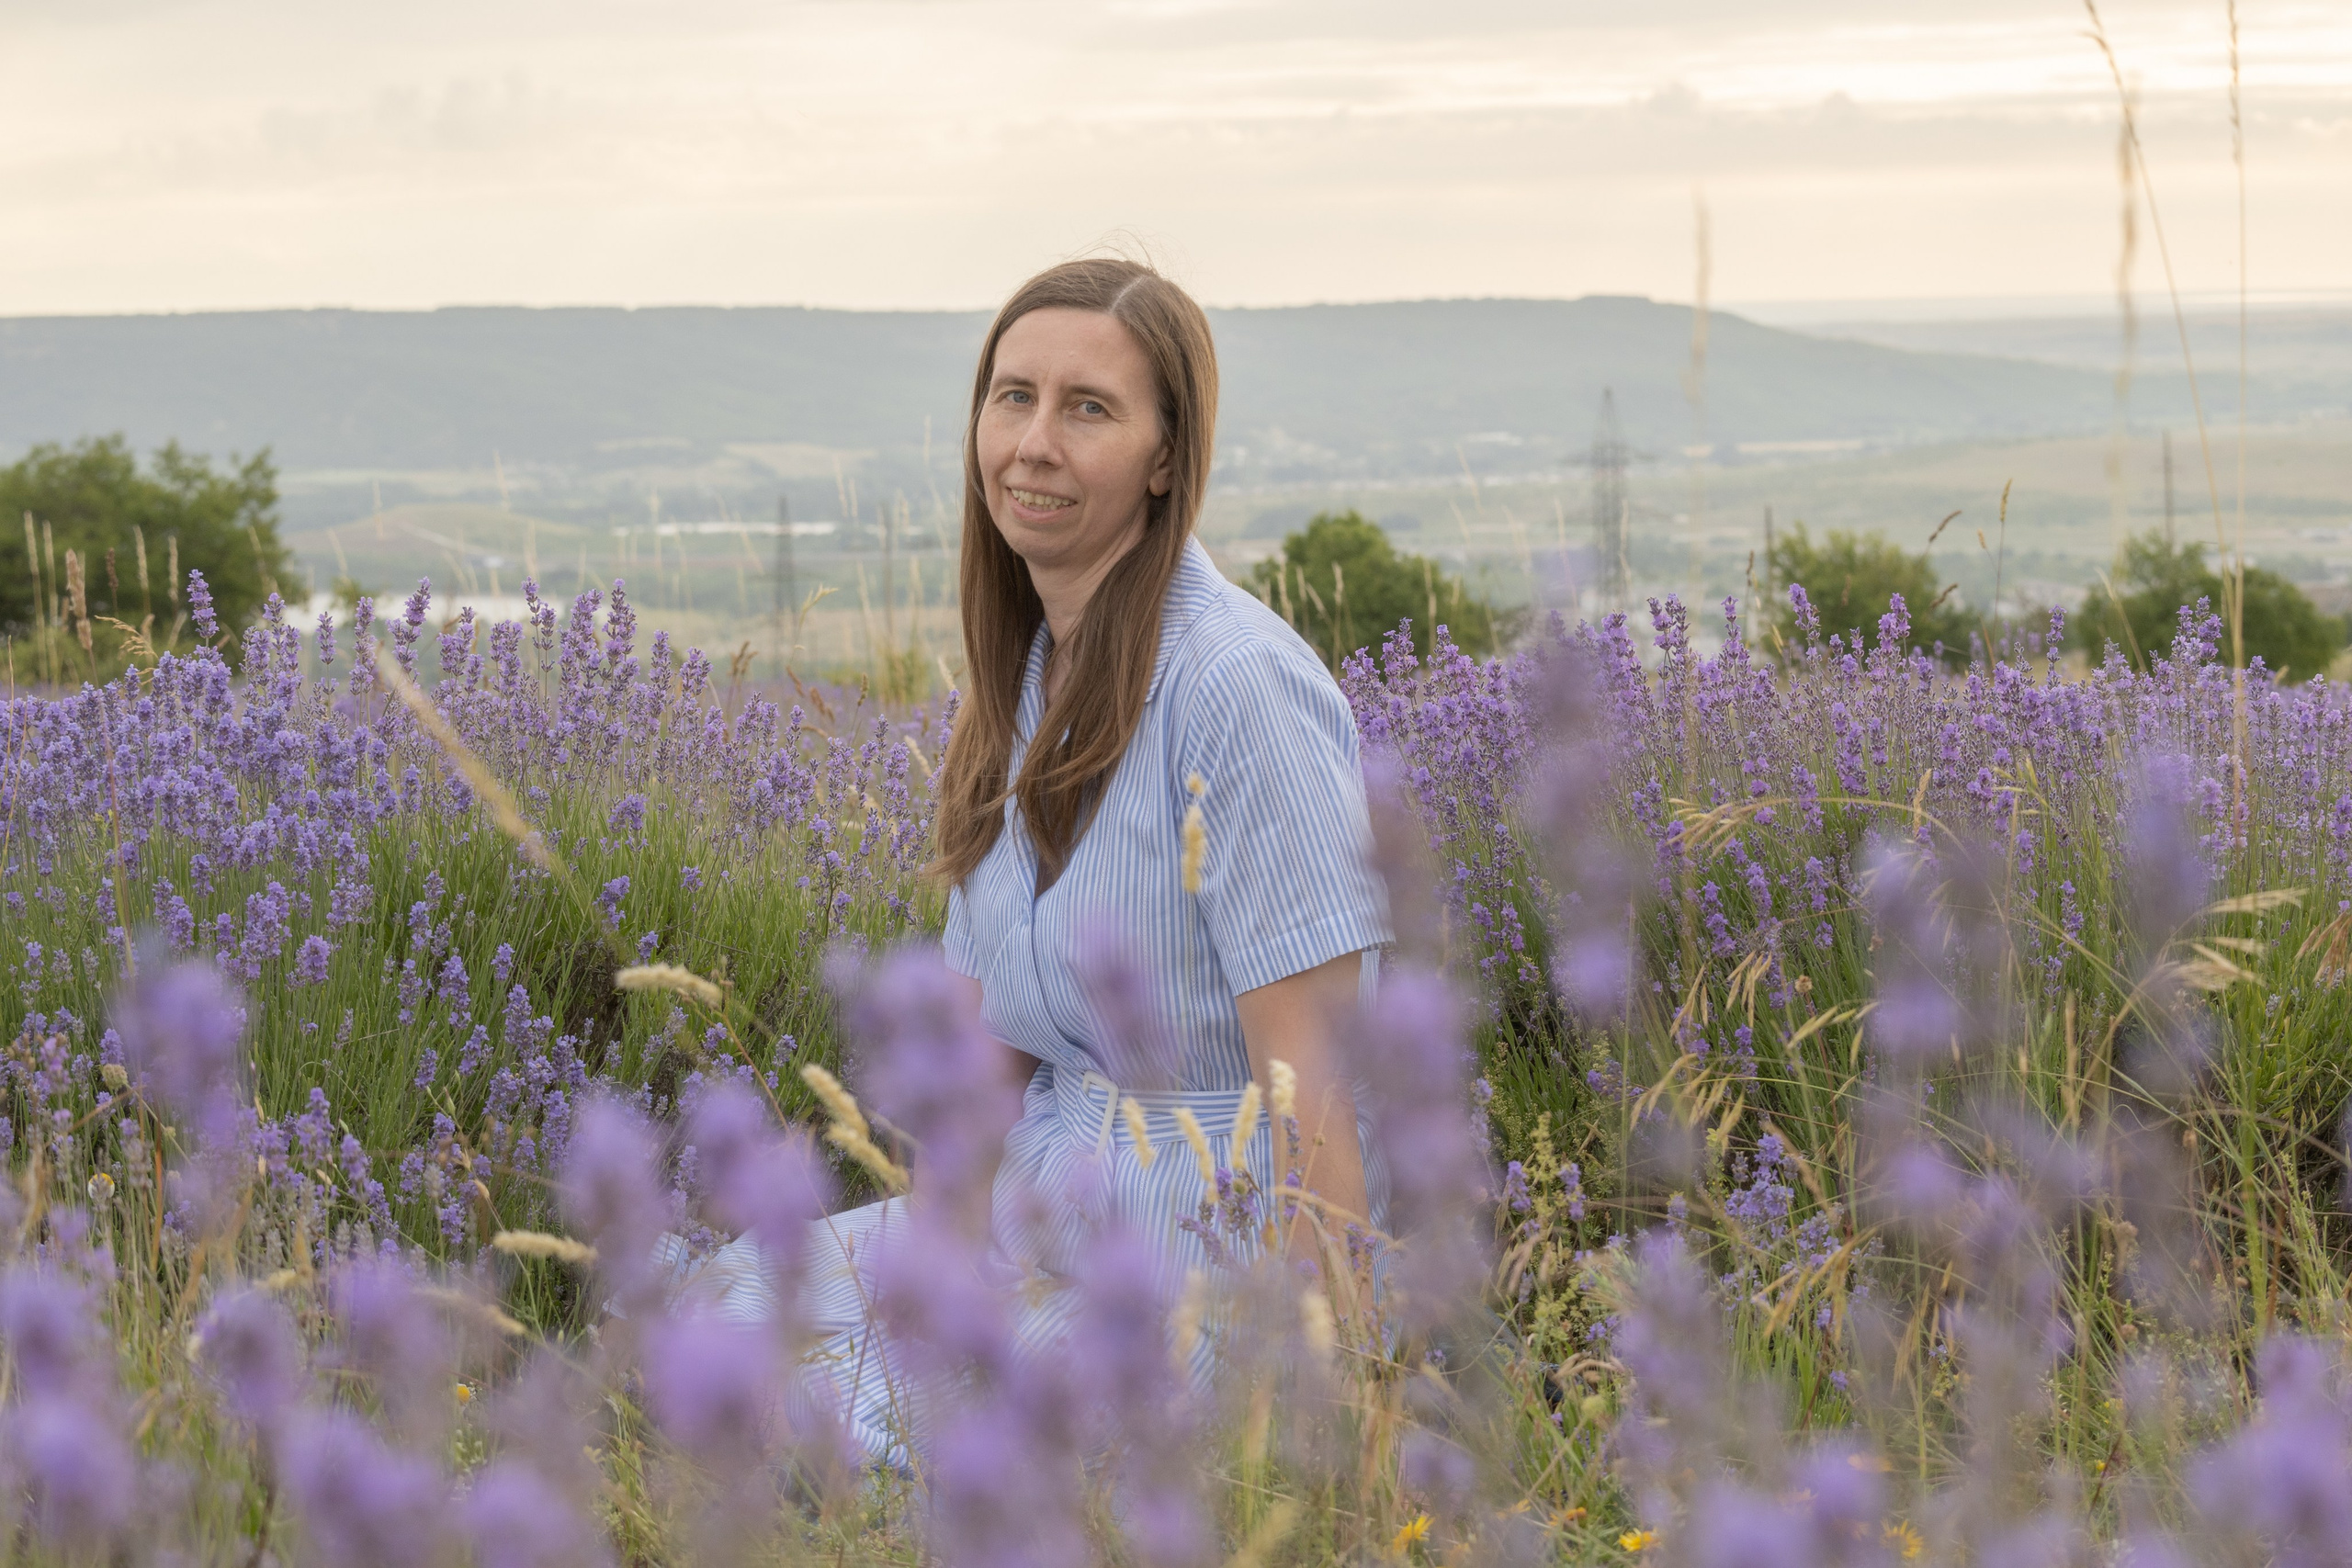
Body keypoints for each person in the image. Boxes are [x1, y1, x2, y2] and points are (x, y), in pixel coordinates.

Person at [673, 256, 1391, 1464]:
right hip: (1040, 1199)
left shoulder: (1238, 689)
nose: (1035, 443)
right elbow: (986, 1058)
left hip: (1202, 1243)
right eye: (1013, 398)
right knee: (707, 1326)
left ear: (1168, 457)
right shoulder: (1026, 678)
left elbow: (1311, 1087)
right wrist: (947, 1264)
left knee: (879, 1445)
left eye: (1089, 408)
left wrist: (1327, 1407)